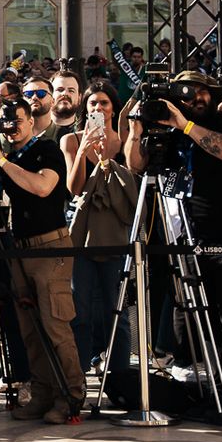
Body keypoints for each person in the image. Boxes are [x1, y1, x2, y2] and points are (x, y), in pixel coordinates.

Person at [126, 68, 222, 423]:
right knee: (196, 324)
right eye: (184, 94)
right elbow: (136, 164)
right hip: (188, 240)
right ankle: (208, 393)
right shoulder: (170, 132)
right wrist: (136, 127)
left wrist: (183, 124)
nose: (193, 100)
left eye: (200, 92)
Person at [0, 96, 81, 425]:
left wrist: (1, 160)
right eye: (5, 121)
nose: (11, 127)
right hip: (18, 249)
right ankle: (41, 395)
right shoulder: (10, 156)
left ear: (31, 121)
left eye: (17, 120)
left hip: (49, 247)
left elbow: (42, 186)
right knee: (29, 329)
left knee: (55, 326)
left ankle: (71, 395)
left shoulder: (46, 150)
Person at [64, 82, 133, 373]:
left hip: (115, 235)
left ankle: (119, 373)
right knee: (80, 310)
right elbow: (74, 187)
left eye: (104, 103)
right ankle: (79, 372)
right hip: (82, 236)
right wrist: (84, 150)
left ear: (113, 108)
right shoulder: (70, 139)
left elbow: (132, 187)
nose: (98, 108)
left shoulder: (124, 140)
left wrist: (109, 156)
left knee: (116, 311)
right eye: (92, 104)